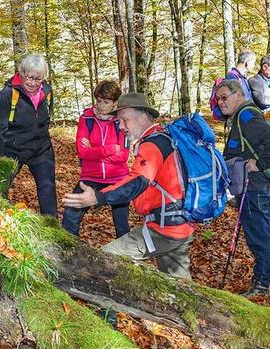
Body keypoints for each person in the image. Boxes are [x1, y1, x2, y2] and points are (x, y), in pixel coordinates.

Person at [62, 93, 195, 279]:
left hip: (164, 230)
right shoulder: (165, 137)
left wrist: (98, 197)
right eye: (119, 122)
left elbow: (138, 181)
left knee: (106, 257)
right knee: (180, 284)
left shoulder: (153, 145)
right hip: (179, 223)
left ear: (142, 117)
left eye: (124, 120)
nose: (121, 126)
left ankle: (110, 306)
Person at [215, 79, 270, 296]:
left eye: (224, 97)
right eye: (218, 99)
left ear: (238, 94)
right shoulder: (242, 115)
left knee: (257, 232)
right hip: (253, 184)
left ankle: (262, 282)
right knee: (265, 225)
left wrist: (260, 164)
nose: (220, 103)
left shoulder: (246, 115)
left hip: (252, 185)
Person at [0, 54, 57, 217]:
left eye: (38, 79)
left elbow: (45, 120)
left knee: (47, 189)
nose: (33, 83)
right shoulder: (7, 95)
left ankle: (53, 227)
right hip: (13, 150)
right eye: (30, 77)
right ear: (21, 73)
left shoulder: (47, 93)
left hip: (41, 150)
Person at [62, 80, 130, 239]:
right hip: (90, 177)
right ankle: (70, 250)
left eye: (106, 102)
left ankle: (125, 259)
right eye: (99, 101)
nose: (101, 105)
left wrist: (94, 151)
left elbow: (123, 157)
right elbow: (82, 152)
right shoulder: (86, 119)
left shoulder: (121, 121)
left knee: (122, 223)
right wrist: (111, 149)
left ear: (114, 103)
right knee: (71, 214)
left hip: (117, 178)